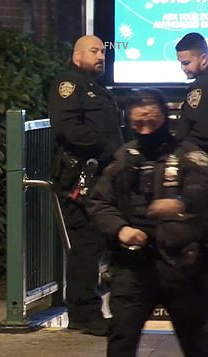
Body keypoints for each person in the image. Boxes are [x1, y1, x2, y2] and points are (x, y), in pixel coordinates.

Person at [87, 88, 208, 357]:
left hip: (183, 266)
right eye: (137, 123)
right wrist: (121, 229)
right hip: (134, 266)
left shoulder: (188, 155)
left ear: (164, 117)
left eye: (150, 121)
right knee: (121, 337)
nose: (144, 129)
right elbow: (99, 202)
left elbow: (204, 191)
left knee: (197, 341)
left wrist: (182, 203)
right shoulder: (124, 158)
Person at [48, 35, 124, 336]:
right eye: (93, 51)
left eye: (102, 51)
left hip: (100, 176)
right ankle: (82, 313)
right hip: (80, 177)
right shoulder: (69, 84)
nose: (101, 56)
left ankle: (92, 306)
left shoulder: (95, 87)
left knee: (98, 243)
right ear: (76, 55)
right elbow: (68, 128)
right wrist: (105, 149)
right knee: (86, 246)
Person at [175, 32, 208, 151]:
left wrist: (178, 152)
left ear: (203, 58)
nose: (183, 68)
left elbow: (199, 133)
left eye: (186, 63)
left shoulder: (199, 87)